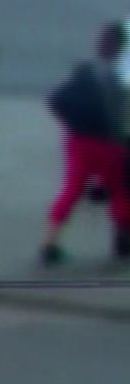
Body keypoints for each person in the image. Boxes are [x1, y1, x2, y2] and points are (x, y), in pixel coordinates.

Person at [41, 24, 130, 266]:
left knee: (72, 190)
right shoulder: (121, 76)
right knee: (120, 190)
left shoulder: (84, 71)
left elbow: (55, 99)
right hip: (111, 144)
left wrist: (71, 124)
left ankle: (50, 242)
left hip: (79, 141)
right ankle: (123, 238)